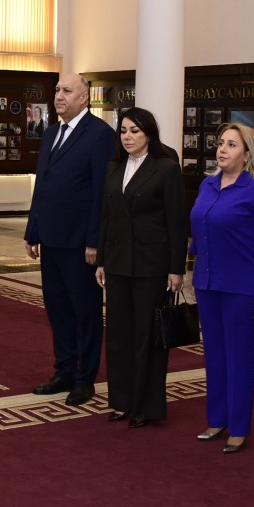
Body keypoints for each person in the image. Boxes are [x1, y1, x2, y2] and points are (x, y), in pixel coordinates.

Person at [188, 122, 254, 452]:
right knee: (214, 355)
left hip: (243, 287)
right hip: (208, 283)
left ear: (246, 154)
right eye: (221, 143)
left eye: (232, 144)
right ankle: (217, 419)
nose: (222, 149)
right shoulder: (208, 185)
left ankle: (239, 427)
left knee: (240, 358)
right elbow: (198, 235)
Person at [25, 74, 115, 406]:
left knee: (85, 310)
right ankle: (63, 370)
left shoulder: (100, 135)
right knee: (58, 308)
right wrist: (32, 229)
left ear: (84, 99)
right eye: (57, 90)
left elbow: (99, 193)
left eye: (67, 91)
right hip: (51, 237)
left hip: (81, 243)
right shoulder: (51, 133)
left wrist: (95, 241)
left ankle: (85, 377)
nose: (59, 96)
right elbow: (43, 184)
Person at [95, 108, 186, 428]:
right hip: (118, 263)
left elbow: (177, 222)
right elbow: (107, 217)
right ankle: (121, 402)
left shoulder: (166, 168)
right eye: (123, 131)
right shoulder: (113, 167)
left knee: (148, 337)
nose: (128, 137)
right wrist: (103, 260)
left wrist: (177, 268)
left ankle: (146, 406)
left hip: (152, 266)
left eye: (135, 130)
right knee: (118, 336)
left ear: (149, 133)